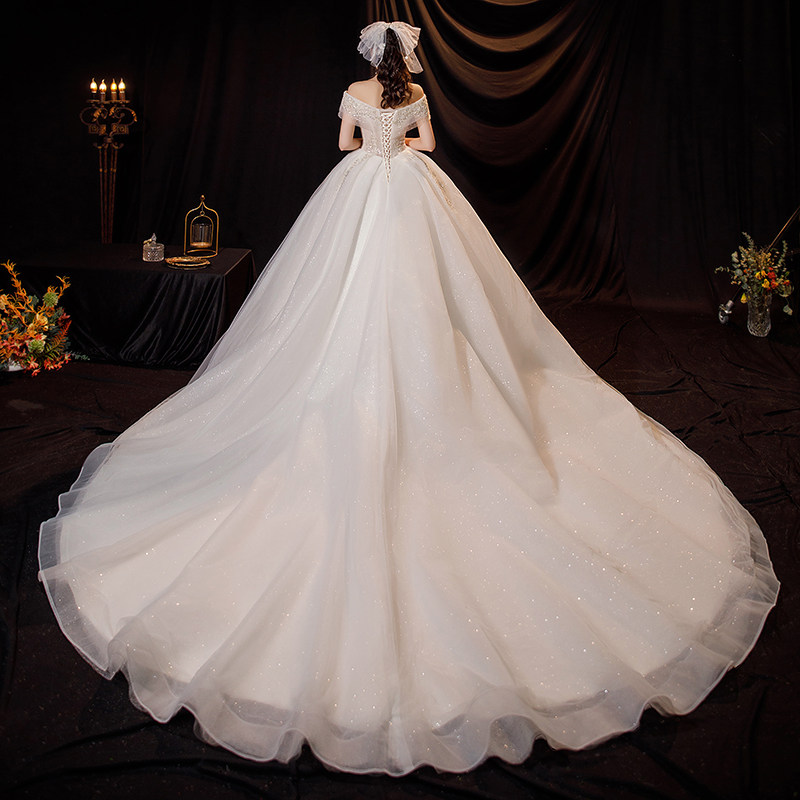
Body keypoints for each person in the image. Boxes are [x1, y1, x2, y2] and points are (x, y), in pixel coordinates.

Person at [39, 21, 778, 776]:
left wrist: (371, 148)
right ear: (407, 58)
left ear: (370, 57)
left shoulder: (354, 93)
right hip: (413, 199)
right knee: (432, 303)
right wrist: (401, 148)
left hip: (359, 197)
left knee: (340, 303)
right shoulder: (415, 93)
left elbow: (345, 148)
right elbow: (424, 145)